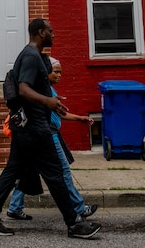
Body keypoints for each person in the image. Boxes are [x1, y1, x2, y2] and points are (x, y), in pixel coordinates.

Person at [0, 18, 102, 239]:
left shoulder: (33, 56)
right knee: (55, 174)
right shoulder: (30, 56)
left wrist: (51, 101)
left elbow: (32, 89)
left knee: (12, 172)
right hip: (35, 129)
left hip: (26, 128)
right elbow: (23, 90)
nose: (54, 35)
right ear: (40, 32)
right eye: (51, 31)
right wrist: (48, 102)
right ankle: (74, 223)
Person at [7, 57, 98, 221]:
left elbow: (58, 113)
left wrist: (79, 118)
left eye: (61, 72)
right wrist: (79, 118)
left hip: (40, 135)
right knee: (63, 171)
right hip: (48, 135)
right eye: (56, 71)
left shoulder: (43, 88)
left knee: (27, 170)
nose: (59, 75)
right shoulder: (44, 90)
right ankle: (78, 207)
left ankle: (14, 208)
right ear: (45, 72)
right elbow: (60, 113)